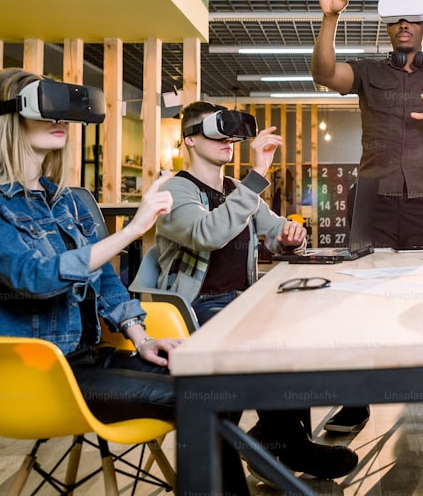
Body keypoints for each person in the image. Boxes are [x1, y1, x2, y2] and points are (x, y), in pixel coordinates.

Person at [0, 68, 250, 493]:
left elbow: (106, 282)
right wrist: (129, 231)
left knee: (217, 386)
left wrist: (142, 339)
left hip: (90, 358)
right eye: (47, 111)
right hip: (40, 374)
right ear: (10, 118)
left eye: (64, 115)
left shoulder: (68, 201)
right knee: (205, 401)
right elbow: (33, 278)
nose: (60, 123)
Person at [154, 101, 359, 482]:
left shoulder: (235, 189)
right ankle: (275, 447)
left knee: (301, 338)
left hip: (243, 303)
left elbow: (275, 230)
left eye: (228, 131)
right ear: (189, 141)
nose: (226, 139)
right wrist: (258, 173)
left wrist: (289, 236)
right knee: (265, 350)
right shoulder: (173, 191)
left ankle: (278, 440)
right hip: (197, 311)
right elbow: (208, 234)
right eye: (213, 131)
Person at [311, 0, 423, 434]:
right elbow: (324, 73)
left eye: (412, 20)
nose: (404, 26)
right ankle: (356, 401)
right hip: (372, 200)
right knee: (361, 299)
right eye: (396, 20)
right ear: (389, 28)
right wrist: (329, 19)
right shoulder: (366, 72)